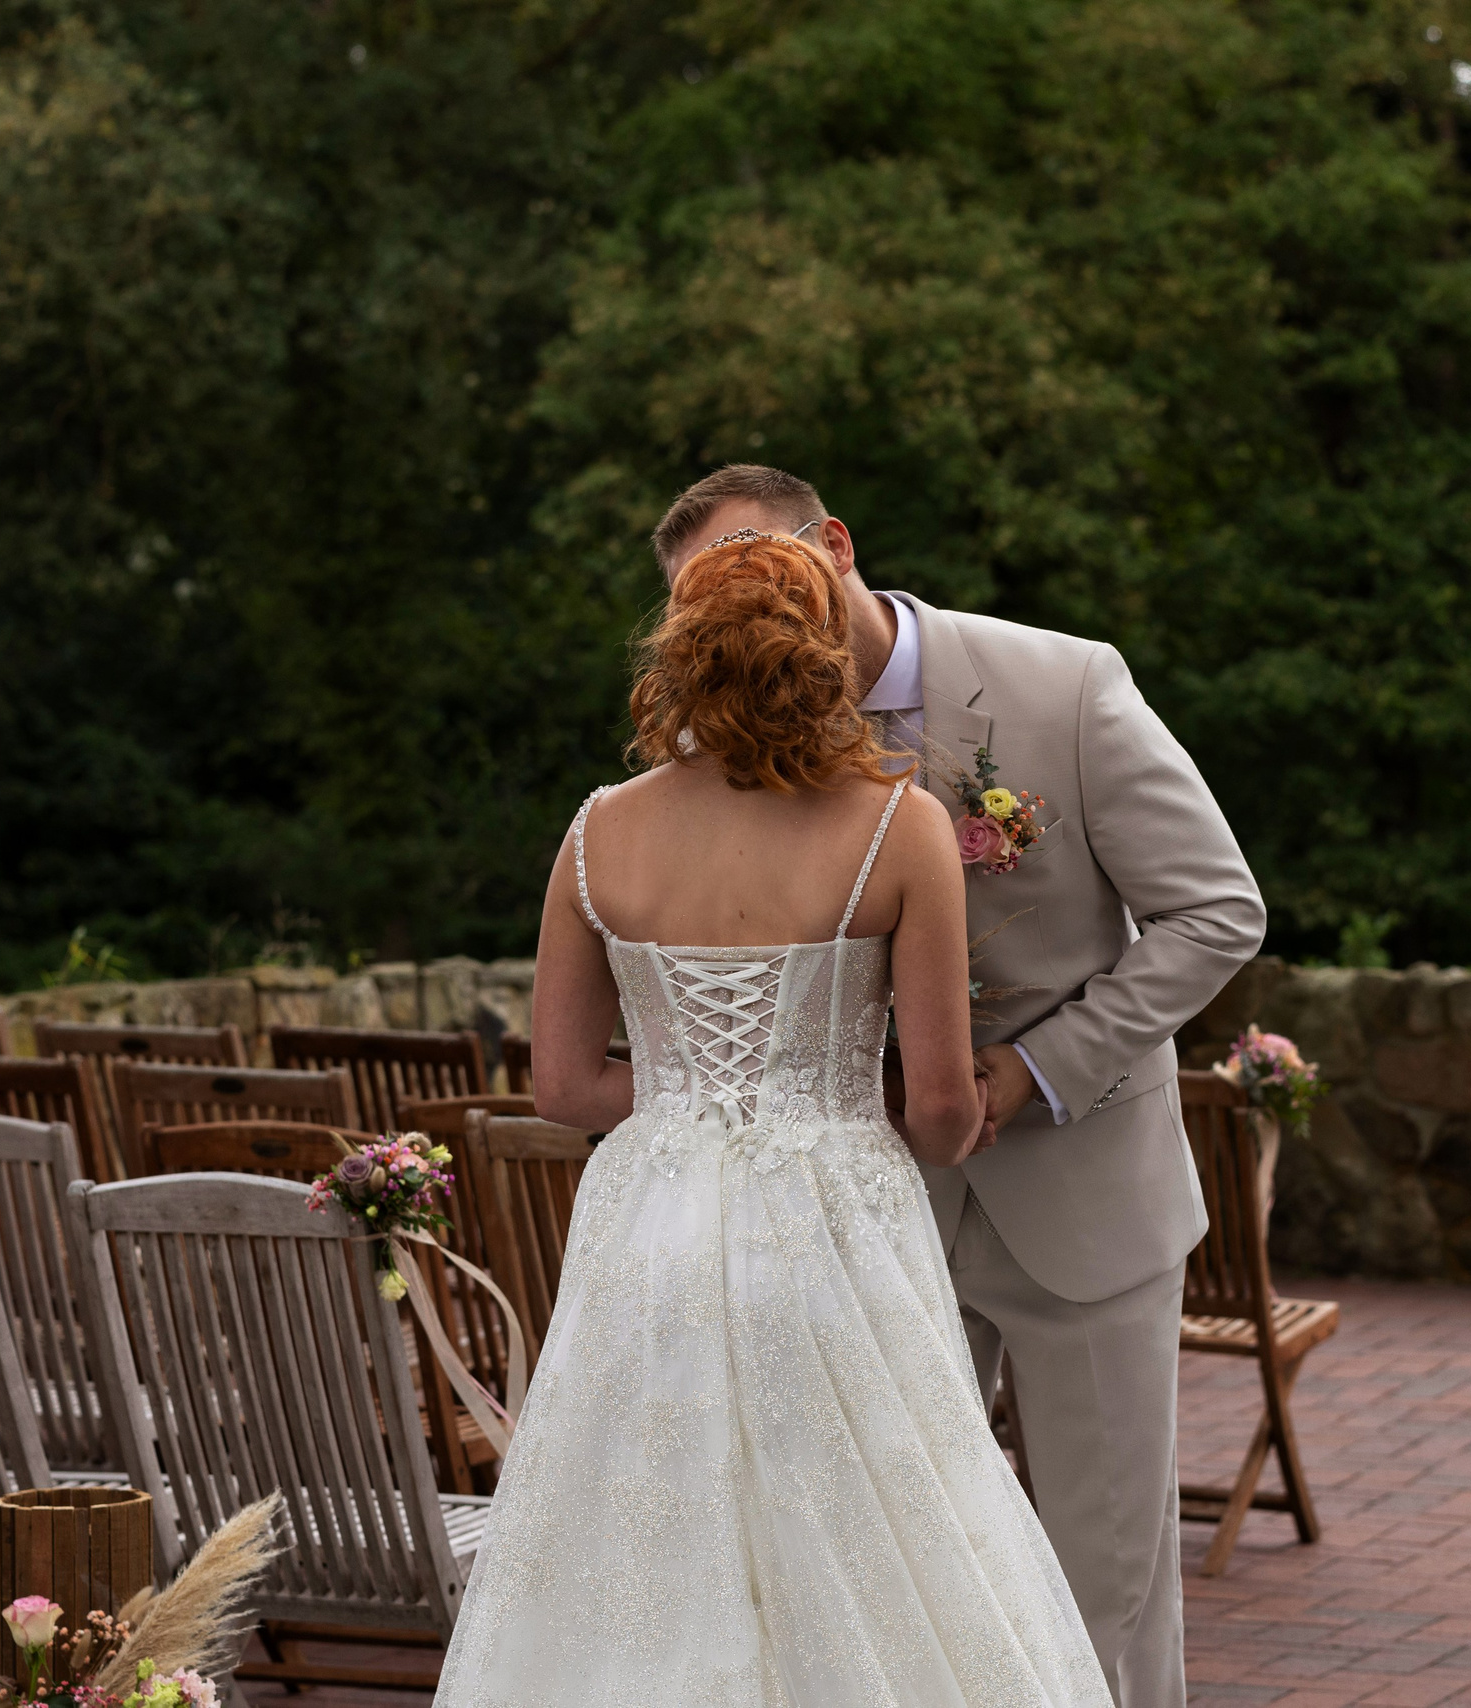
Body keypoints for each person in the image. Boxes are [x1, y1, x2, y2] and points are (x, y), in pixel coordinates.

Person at [433, 524, 1112, 1704]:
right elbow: (943, 1105)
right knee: (868, 1521)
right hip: (832, 1220)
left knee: (642, 1529)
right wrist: (833, 1111)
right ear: (820, 652)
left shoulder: (598, 830)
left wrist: (702, 1109)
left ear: (679, 655)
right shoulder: (897, 827)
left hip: (650, 1221)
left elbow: (561, 1087)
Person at [642, 466, 1267, 1708]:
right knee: (885, 1568)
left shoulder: (1064, 682)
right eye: (699, 596)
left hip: (1085, 1197)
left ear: (834, 543)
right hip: (869, 1212)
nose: (737, 608)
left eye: (752, 564)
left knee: (1108, 1575)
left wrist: (1038, 1069)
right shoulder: (724, 746)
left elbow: (1215, 910)